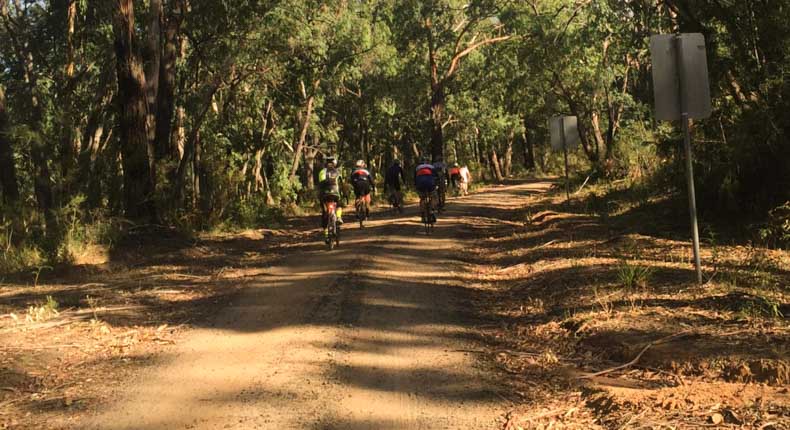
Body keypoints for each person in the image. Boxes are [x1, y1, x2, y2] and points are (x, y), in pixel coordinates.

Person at [318, 156, 344, 239]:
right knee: (339, 205)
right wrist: (344, 194)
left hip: (324, 194)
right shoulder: (337, 172)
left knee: (324, 213)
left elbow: (320, 184)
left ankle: (326, 234)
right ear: (334, 164)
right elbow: (341, 184)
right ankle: (339, 217)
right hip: (335, 192)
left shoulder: (322, 172)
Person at [414, 157, 437, 223]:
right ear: (428, 162)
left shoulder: (417, 168)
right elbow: (436, 176)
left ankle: (423, 216)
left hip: (420, 184)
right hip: (430, 183)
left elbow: (415, 179)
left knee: (422, 199)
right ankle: (432, 211)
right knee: (433, 197)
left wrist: (416, 186)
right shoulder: (431, 167)